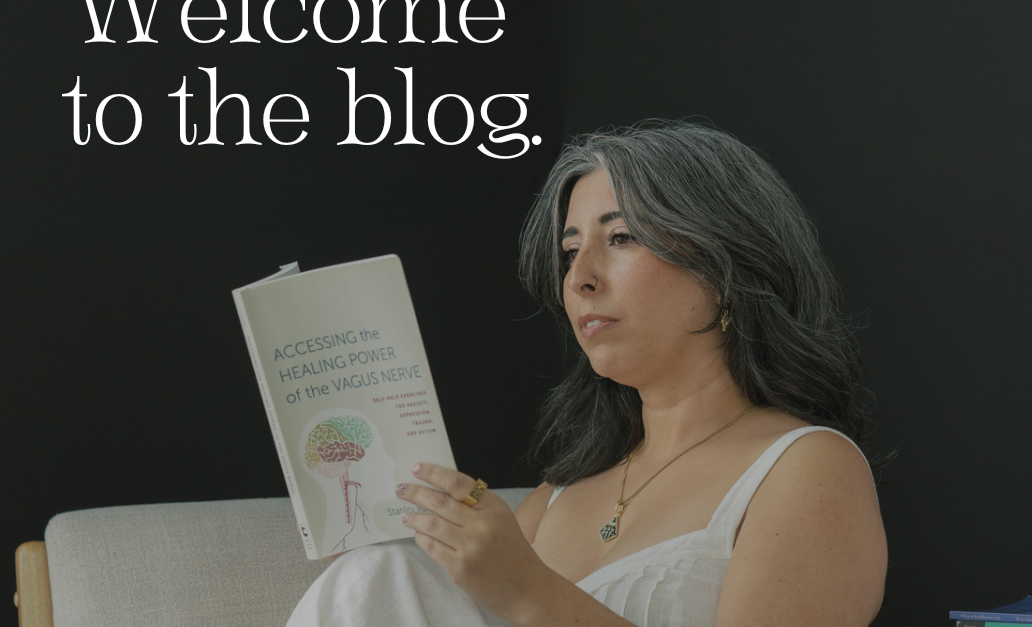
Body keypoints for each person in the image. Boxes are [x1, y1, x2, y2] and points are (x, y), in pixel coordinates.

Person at [286, 121, 888, 627]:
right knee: (383, 568)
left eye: (621, 237)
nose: (579, 279)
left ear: (727, 271)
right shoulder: (554, 500)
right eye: (570, 251)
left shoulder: (804, 466)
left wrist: (526, 591)